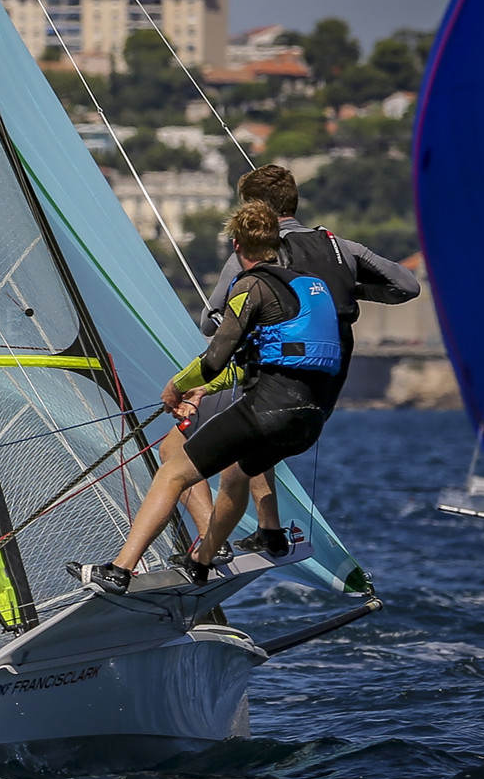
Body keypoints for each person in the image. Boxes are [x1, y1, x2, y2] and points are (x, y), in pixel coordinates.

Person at [80, 200, 343, 593]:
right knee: (237, 473)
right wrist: (206, 388)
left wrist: (178, 385)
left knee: (172, 472)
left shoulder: (250, 287)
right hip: (310, 420)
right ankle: (202, 561)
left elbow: (215, 357)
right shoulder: (308, 287)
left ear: (236, 245)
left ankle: (120, 568)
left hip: (267, 410)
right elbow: (275, 357)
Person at [195, 164, 418, 554]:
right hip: (330, 375)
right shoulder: (340, 246)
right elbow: (407, 286)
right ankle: (270, 531)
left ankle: (210, 544)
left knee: (184, 445)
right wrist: (346, 291)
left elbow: (208, 323)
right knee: (264, 437)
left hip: (279, 372)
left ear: (255, 210)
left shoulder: (255, 251)